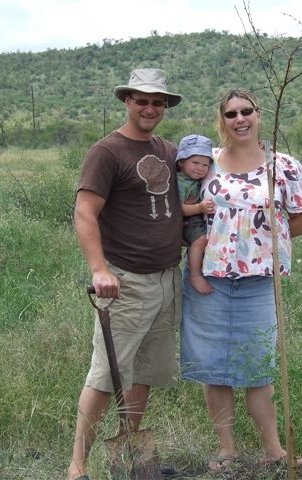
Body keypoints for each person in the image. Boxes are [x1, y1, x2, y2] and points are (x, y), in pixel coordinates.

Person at [179, 88, 302, 471]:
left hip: (259, 282)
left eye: (246, 111)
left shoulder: (283, 166)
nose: (239, 119)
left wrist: (255, 241)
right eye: (231, 114)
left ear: (258, 114)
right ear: (221, 121)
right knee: (214, 368)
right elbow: (183, 209)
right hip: (209, 281)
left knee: (259, 368)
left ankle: (275, 451)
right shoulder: (207, 164)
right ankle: (227, 450)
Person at [68, 68, 183, 480]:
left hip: (168, 279)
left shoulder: (168, 151)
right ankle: (77, 467)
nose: (150, 108)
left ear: (165, 106)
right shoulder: (107, 152)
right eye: (142, 101)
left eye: (158, 102)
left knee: (144, 374)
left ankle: (129, 455)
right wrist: (99, 270)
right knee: (105, 375)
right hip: (125, 282)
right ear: (127, 101)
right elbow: (85, 212)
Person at [176, 134, 215, 295]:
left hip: (196, 217)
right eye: (195, 163)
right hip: (186, 219)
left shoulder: (195, 180)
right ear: (181, 162)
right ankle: (195, 274)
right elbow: (177, 208)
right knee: (199, 240)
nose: (201, 168)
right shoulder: (180, 182)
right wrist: (199, 208)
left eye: (205, 165)